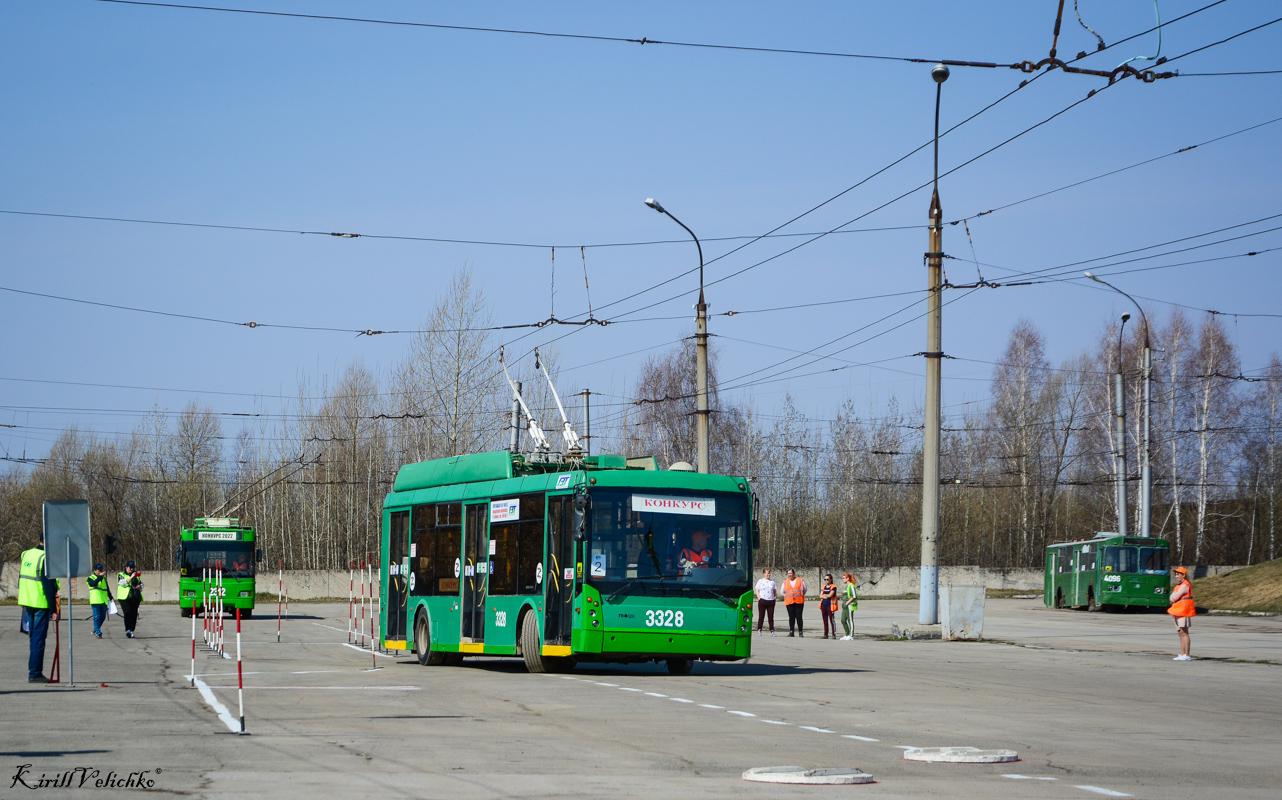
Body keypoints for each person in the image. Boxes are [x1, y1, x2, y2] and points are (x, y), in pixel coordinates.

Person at [19, 537, 60, 683]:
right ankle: (35, 673)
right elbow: (48, 585)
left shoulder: (27, 554)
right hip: (39, 602)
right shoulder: (45, 558)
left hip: (27, 600)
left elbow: (22, 577)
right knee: (38, 639)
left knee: (33, 638)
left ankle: (34, 670)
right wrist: (53, 608)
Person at [1167, 566, 1196, 661]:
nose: (1176, 576)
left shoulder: (1185, 585)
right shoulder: (1178, 586)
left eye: (1178, 574)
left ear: (1183, 575)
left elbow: (1174, 597)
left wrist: (1174, 597)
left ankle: (1187, 654)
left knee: (1184, 632)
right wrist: (1173, 597)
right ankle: (1183, 653)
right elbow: (1171, 597)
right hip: (1177, 611)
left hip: (1184, 611)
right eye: (1176, 574)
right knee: (1180, 632)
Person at [117, 562, 144, 639]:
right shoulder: (121, 574)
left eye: (133, 568)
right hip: (124, 598)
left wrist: (140, 586)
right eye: (130, 568)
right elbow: (123, 583)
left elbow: (141, 584)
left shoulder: (137, 576)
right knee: (127, 612)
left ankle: (131, 630)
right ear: (126, 567)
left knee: (134, 614)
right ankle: (128, 629)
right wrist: (131, 577)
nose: (132, 569)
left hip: (135, 597)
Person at [86, 564, 113, 638]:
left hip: (103, 600)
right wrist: (99, 577)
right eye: (99, 570)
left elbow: (107, 588)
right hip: (95, 600)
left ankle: (95, 629)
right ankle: (98, 631)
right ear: (95, 570)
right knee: (96, 616)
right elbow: (93, 584)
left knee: (103, 616)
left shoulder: (103, 578)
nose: (100, 571)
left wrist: (110, 597)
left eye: (101, 570)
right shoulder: (90, 578)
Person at [782, 569, 807, 637]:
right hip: (789, 602)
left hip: (799, 601)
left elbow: (805, 589)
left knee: (799, 617)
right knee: (791, 617)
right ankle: (791, 631)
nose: (790, 575)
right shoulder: (785, 582)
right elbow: (782, 592)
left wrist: (799, 595)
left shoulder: (800, 580)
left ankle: (800, 632)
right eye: (788, 573)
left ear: (794, 574)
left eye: (791, 573)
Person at [753, 568, 778, 636]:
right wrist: (759, 598)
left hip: (771, 601)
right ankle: (759, 629)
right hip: (763, 600)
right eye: (767, 573)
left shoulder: (772, 582)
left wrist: (775, 598)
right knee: (761, 616)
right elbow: (757, 590)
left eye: (769, 573)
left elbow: (775, 591)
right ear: (764, 574)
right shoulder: (760, 581)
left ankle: (772, 630)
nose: (768, 574)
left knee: (770, 616)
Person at [840, 573, 859, 641]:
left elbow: (854, 596)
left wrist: (848, 603)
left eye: (844, 578)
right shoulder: (847, 586)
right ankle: (847, 634)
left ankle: (851, 635)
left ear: (847, 578)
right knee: (843, 620)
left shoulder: (851, 586)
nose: (843, 579)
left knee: (850, 619)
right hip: (845, 606)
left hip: (850, 606)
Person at [819, 574, 838, 639]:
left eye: (827, 579)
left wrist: (824, 595)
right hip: (823, 605)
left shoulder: (833, 587)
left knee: (832, 620)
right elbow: (820, 596)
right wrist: (825, 596)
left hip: (830, 606)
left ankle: (833, 634)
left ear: (831, 579)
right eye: (825, 579)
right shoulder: (824, 587)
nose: (826, 580)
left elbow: (830, 595)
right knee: (825, 620)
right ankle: (825, 634)